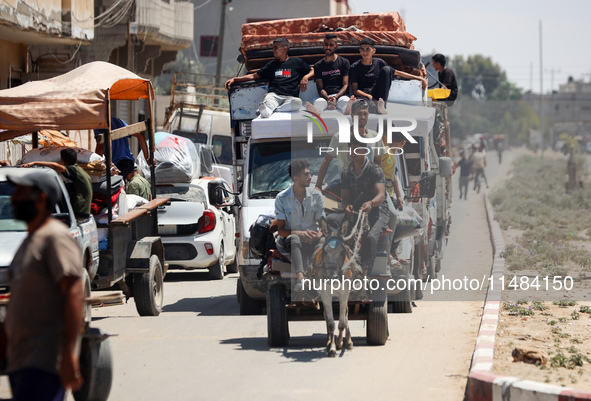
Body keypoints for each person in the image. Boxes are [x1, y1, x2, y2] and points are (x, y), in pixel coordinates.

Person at [3, 170, 84, 400]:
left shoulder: (55, 237)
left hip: (44, 361)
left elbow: (74, 292)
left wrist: (68, 353)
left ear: (40, 199)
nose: (13, 198)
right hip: (21, 361)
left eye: (21, 192)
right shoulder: (29, 242)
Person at [225, 38, 315, 118]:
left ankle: (273, 111)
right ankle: (267, 110)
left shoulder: (296, 62)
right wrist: (234, 79)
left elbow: (313, 70)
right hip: (274, 96)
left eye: (276, 48)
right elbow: (254, 76)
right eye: (273, 48)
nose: (273, 50)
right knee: (269, 102)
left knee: (298, 102)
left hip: (290, 97)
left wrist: (306, 77)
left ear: (285, 48)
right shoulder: (272, 65)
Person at [340, 136, 389, 274]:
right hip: (357, 211)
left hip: (378, 210)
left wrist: (370, 203)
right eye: (351, 148)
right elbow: (345, 199)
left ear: (365, 150)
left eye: (356, 148)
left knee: (371, 237)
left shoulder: (375, 170)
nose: (352, 152)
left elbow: (381, 195)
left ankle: (365, 273)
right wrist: (347, 207)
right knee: (334, 229)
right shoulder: (346, 173)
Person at [275, 160, 325, 293]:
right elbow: (280, 231)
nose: (310, 177)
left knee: (325, 241)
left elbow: (322, 226)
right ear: (295, 178)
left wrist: (318, 235)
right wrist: (298, 233)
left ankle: (315, 274)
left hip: (313, 241)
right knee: (294, 239)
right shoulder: (282, 198)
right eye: (306, 174)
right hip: (293, 242)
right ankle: (301, 278)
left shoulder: (317, 195)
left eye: (310, 174)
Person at [315, 99, 385, 190]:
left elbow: (378, 162)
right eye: (359, 114)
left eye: (365, 114)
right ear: (352, 115)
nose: (362, 117)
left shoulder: (375, 136)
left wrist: (379, 184)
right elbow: (326, 160)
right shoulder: (339, 137)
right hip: (347, 188)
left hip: (369, 188)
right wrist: (318, 186)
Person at [351, 38, 427, 114]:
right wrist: (368, 96)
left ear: (373, 51)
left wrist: (420, 78)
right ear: (360, 51)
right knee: (364, 106)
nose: (365, 52)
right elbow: (355, 90)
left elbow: (398, 73)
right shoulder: (354, 67)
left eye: (368, 49)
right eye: (362, 49)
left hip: (378, 95)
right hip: (365, 96)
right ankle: (377, 108)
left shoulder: (379, 62)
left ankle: (382, 105)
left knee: (386, 69)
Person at [22, 147, 93, 219]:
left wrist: (34, 162)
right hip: (83, 212)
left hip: (78, 212)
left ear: (63, 160)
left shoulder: (73, 170)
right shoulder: (80, 170)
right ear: (76, 159)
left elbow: (55, 165)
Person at [306, 34, 351, 114]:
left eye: (331, 45)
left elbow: (346, 85)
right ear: (323, 45)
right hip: (324, 97)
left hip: (340, 96)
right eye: (326, 44)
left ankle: (347, 113)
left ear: (336, 46)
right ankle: (317, 113)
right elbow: (320, 88)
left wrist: (336, 98)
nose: (328, 47)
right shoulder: (318, 65)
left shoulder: (344, 62)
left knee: (345, 101)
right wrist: (328, 99)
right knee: (319, 103)